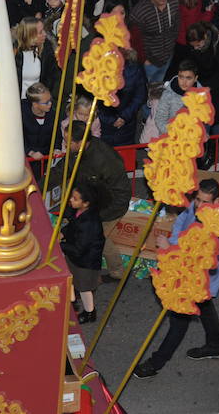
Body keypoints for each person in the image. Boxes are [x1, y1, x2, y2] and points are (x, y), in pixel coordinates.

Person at [134, 178, 219, 379]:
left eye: (205, 202)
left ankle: (156, 363)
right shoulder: (193, 209)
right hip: (188, 275)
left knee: (179, 321)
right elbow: (180, 223)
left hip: (196, 279)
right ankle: (215, 345)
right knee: (205, 307)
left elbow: (198, 257)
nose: (199, 206)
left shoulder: (216, 226)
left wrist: (171, 248)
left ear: (216, 201)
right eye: (198, 200)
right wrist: (174, 244)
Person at [54, 121, 132, 281]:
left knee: (97, 238)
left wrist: (97, 216)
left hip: (108, 206)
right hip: (87, 200)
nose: (65, 144)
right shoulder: (77, 151)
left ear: (81, 142)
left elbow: (121, 193)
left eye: (68, 141)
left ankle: (117, 272)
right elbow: (61, 170)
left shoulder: (105, 159)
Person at [60, 180, 104, 324]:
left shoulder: (89, 223)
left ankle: (90, 312)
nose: (71, 200)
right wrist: (64, 233)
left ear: (85, 203)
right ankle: (72, 302)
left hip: (85, 261)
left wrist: (61, 244)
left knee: (84, 288)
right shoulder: (78, 212)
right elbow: (72, 227)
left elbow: (80, 248)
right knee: (70, 280)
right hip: (75, 256)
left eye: (75, 198)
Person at [130, 0, 181, 84]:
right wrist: (144, 60)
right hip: (149, 63)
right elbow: (135, 42)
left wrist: (170, 49)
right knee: (144, 90)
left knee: (157, 88)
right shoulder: (139, 13)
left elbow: (176, 28)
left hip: (167, 58)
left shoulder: (173, 2)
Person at [97, 47, 146, 146]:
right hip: (105, 123)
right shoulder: (98, 72)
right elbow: (96, 99)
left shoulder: (135, 70)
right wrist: (112, 119)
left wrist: (124, 117)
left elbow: (140, 95)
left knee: (125, 150)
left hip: (127, 122)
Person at [15, 17, 58, 96]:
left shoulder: (47, 51)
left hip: (38, 103)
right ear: (30, 35)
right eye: (40, 32)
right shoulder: (13, 53)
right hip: (15, 102)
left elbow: (52, 79)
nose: (45, 34)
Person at [20, 83, 55, 160]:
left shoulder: (52, 114)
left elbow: (56, 135)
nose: (50, 104)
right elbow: (16, 137)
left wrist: (56, 149)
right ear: (35, 105)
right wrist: (30, 152)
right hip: (26, 158)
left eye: (50, 100)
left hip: (46, 158)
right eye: (46, 102)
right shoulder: (21, 114)